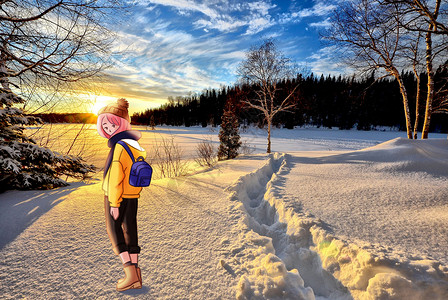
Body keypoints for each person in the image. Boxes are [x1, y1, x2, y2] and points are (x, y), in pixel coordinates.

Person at [97, 98, 146, 291]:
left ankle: (130, 274)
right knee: (130, 230)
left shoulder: (119, 146)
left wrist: (115, 203)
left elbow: (117, 175)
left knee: (114, 231)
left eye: (112, 124)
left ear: (122, 124)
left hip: (116, 196)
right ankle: (136, 274)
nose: (108, 128)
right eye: (105, 124)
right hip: (132, 195)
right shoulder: (134, 144)